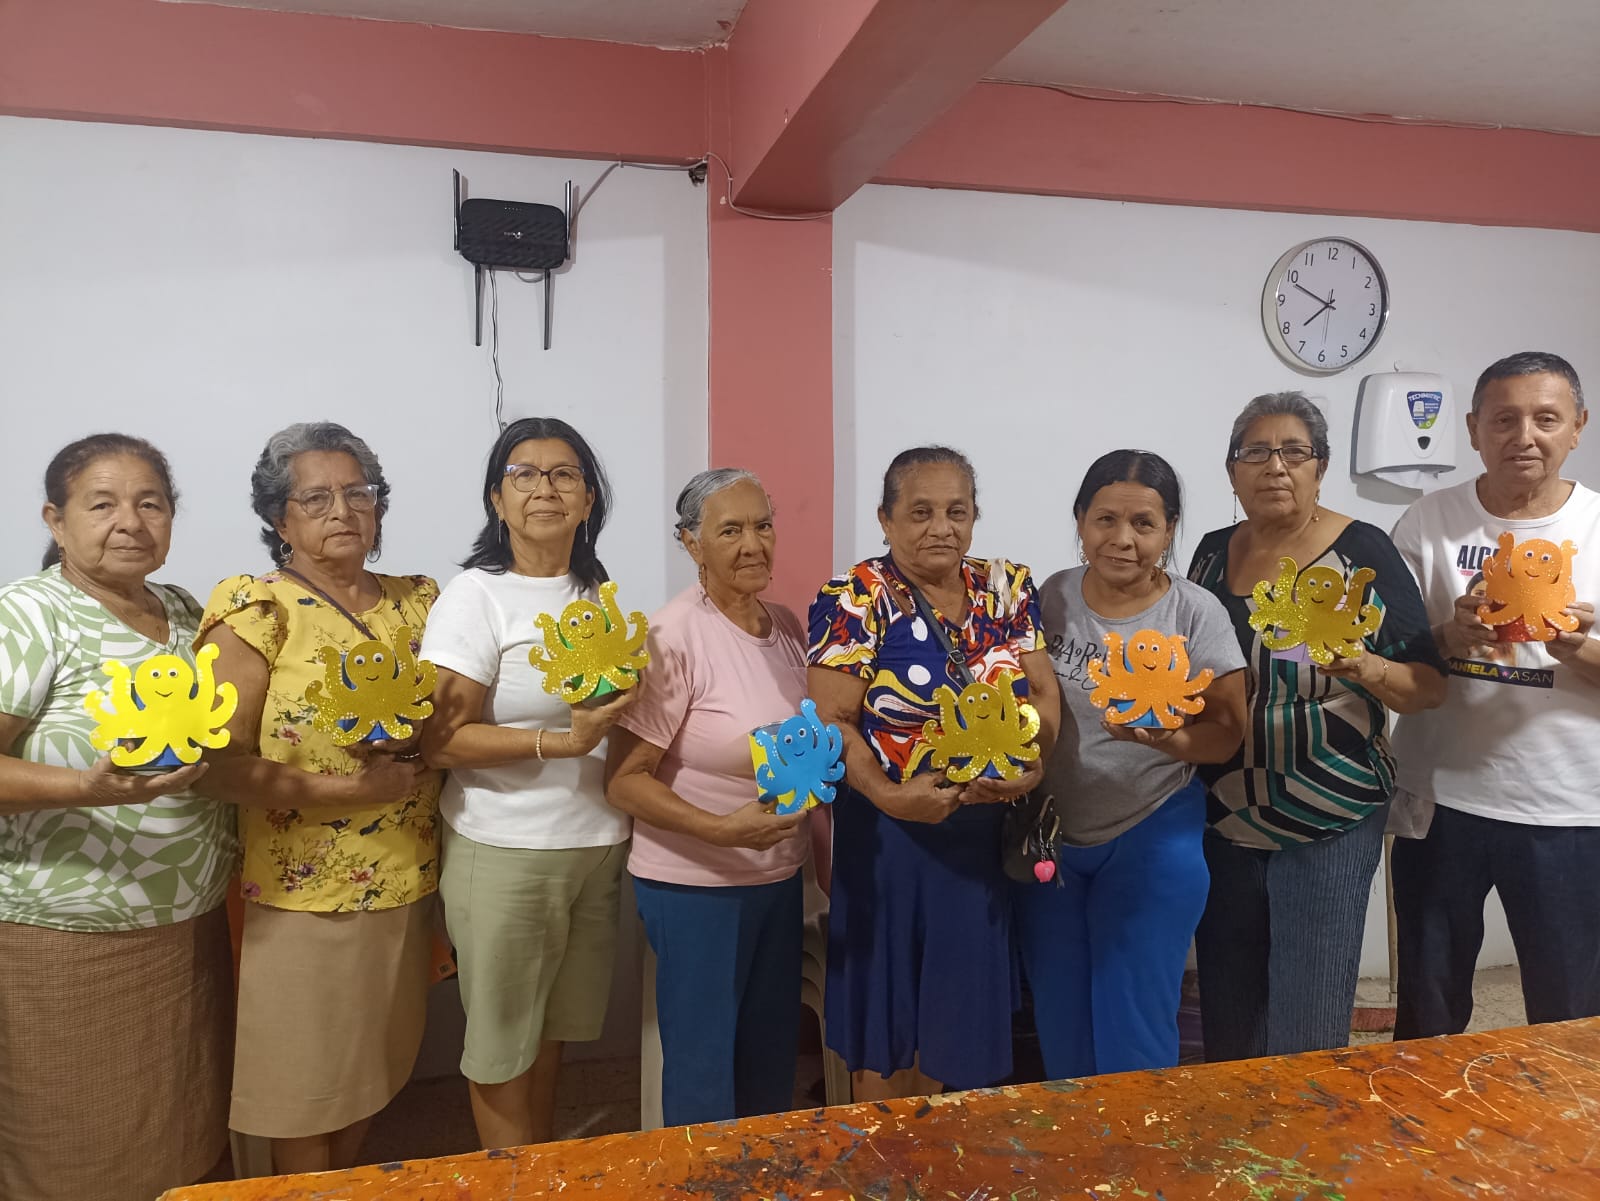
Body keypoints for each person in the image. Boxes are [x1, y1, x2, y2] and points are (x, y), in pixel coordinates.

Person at [198, 422, 442, 1174]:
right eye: (316, 498)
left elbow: (450, 720)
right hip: (302, 891)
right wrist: (353, 789)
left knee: (373, 1067)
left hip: (408, 874)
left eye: (358, 493)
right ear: (280, 518)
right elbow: (218, 768)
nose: (342, 510)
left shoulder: (418, 602)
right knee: (304, 1086)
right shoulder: (256, 608)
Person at [0, 435, 235, 1201]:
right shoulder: (30, 613)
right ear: (56, 520)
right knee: (73, 1141)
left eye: (150, 503)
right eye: (102, 504)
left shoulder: (183, 610)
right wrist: (85, 786)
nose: (130, 521)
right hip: (69, 935)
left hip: (188, 928)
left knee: (181, 1130)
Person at [1187, 392, 1447, 1061]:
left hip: (1330, 809)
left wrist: (1366, 666)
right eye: (1256, 452)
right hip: (1224, 811)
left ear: (1320, 467)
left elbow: (1428, 684)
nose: (1275, 466)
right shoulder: (1211, 556)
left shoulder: (1362, 551)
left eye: (1294, 452)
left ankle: (1307, 1126)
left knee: (1309, 1020)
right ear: (1232, 470)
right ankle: (1239, 1122)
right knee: (1230, 1008)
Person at [808, 446, 1060, 1099]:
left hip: (976, 845)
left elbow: (1042, 695)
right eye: (920, 512)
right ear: (885, 519)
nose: (940, 528)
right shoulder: (857, 597)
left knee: (957, 1020)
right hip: (888, 841)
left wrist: (1031, 767)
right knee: (888, 1027)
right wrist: (890, 796)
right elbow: (831, 720)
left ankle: (942, 1151)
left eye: (956, 511)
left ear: (975, 516)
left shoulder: (1004, 587)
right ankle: (886, 1154)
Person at [420, 417, 634, 1148]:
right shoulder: (476, 596)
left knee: (550, 1034)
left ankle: (537, 1172)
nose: (545, 487)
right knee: (502, 1047)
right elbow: (439, 740)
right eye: (524, 474)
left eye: (564, 473)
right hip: (506, 849)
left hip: (595, 845)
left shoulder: (598, 594)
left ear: (588, 499)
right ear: (497, 499)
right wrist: (559, 741)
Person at [1390, 351, 1600, 1038]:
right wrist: (1450, 636)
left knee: (1568, 1016)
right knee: (1427, 1008)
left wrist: (1580, 649)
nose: (1524, 436)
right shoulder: (1427, 522)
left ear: (1578, 427)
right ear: (1474, 429)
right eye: (1504, 420)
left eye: (1546, 419)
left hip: (1568, 807)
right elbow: (1390, 657)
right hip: (1440, 795)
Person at [1019, 450, 1246, 1080]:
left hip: (1152, 830)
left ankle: (1139, 1143)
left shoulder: (1194, 612)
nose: (1123, 539)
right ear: (1080, 520)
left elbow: (1228, 734)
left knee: (1134, 1024)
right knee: (1060, 1014)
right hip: (1053, 835)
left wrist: (1169, 741)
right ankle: (1077, 1139)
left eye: (1144, 524)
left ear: (1169, 530)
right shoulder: (1051, 596)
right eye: (1105, 520)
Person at [606, 469, 810, 1125]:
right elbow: (625, 779)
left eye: (763, 525)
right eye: (730, 530)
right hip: (697, 884)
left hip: (777, 877)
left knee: (770, 1055)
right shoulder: (671, 637)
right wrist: (721, 830)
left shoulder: (787, 627)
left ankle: (762, 1170)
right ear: (691, 543)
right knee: (703, 1067)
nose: (753, 543)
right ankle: (703, 1175)